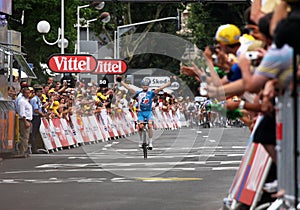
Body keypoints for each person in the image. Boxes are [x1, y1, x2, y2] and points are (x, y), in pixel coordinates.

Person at [117, 77, 171, 149]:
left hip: (148, 112)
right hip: (141, 112)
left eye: (146, 85)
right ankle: (141, 140)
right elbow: (129, 88)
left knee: (149, 126)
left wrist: (169, 83)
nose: (145, 86)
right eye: (144, 85)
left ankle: (150, 142)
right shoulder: (139, 93)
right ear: (142, 86)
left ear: (148, 86)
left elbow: (160, 88)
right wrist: (121, 82)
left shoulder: (151, 93)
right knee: (141, 127)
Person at [29, 85, 46, 154]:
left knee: (36, 133)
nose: (41, 93)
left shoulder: (38, 99)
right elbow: (36, 110)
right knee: (34, 133)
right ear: (37, 92)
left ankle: (35, 147)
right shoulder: (34, 99)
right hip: (35, 117)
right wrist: (42, 114)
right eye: (40, 92)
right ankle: (34, 149)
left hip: (38, 117)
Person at [17, 87, 32, 157]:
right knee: (24, 136)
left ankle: (25, 150)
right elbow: (22, 112)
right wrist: (25, 121)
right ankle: (22, 151)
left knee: (27, 136)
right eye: (26, 93)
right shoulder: (22, 101)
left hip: (29, 119)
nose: (28, 94)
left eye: (29, 93)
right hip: (24, 120)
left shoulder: (27, 101)